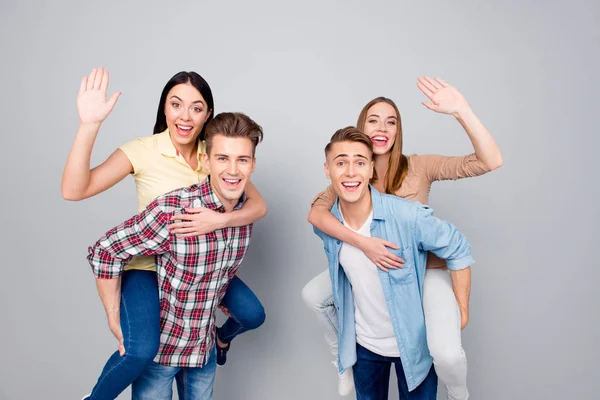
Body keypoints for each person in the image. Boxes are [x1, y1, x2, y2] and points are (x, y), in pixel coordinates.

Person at [62, 68, 266, 400]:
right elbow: (74, 190)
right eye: (176, 105)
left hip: (197, 268)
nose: (185, 116)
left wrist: (218, 223)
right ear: (164, 109)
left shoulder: (215, 155)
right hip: (147, 265)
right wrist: (89, 126)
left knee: (252, 313)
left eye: (196, 108)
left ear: (207, 114)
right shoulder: (143, 150)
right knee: (142, 349)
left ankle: (219, 338)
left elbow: (257, 207)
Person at [302, 77, 503, 398]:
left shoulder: (419, 166)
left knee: (447, 353)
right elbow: (316, 214)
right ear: (360, 129)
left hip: (423, 271)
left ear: (398, 131)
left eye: (391, 121)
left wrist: (461, 111)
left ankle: (458, 391)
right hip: (372, 266)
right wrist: (364, 244)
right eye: (373, 119)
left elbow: (489, 161)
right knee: (314, 295)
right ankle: (343, 361)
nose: (382, 126)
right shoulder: (351, 175)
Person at [313, 127, 474, 399]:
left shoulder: (406, 215)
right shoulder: (329, 223)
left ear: (371, 169)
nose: (351, 172)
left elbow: (458, 247)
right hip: (364, 349)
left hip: (412, 350)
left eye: (360, 162)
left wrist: (462, 307)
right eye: (341, 163)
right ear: (328, 170)